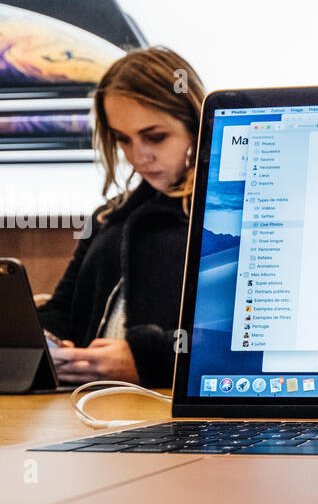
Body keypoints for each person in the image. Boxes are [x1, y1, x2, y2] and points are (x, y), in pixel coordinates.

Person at [38, 47, 205, 388]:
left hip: (169, 412)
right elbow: (63, 310)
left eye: (155, 136)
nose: (138, 156)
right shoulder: (108, 217)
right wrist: (43, 338)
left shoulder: (229, 213)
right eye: (123, 140)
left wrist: (152, 360)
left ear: (194, 122)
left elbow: (246, 339)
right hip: (87, 406)